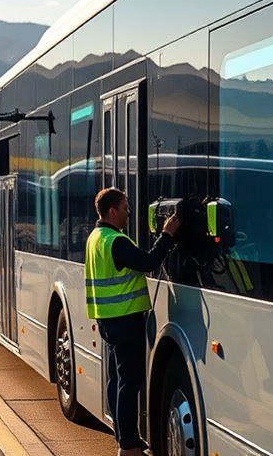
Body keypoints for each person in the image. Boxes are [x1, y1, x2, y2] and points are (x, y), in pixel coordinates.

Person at [85, 187, 179, 456]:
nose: (128, 213)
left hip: (108, 320)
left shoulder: (95, 237)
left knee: (117, 380)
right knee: (129, 383)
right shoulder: (115, 240)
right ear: (112, 211)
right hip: (125, 320)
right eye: (126, 208)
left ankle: (123, 438)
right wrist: (167, 235)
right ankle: (128, 447)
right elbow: (148, 262)